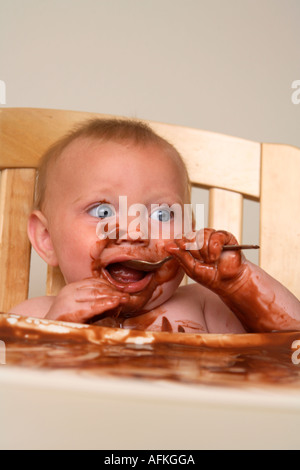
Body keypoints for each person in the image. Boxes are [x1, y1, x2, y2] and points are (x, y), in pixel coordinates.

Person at [9, 118, 300, 333]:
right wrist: (55, 332)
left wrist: (240, 283)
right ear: (46, 238)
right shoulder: (36, 316)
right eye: (102, 211)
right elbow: (16, 397)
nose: (136, 232)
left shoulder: (205, 307)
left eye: (161, 215)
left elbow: (291, 349)